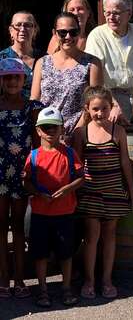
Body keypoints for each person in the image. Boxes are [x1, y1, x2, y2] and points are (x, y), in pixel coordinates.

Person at [73, 86, 133, 300]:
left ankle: (107, 279)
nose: (100, 113)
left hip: (114, 191)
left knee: (110, 236)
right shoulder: (81, 133)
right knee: (91, 237)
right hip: (90, 191)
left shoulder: (117, 131)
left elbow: (125, 163)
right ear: (87, 109)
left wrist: (132, 191)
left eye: (104, 108)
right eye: (95, 109)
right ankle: (89, 279)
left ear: (111, 108)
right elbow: (76, 164)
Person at [23, 107, 84, 308]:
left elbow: (80, 178)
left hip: (65, 214)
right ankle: (42, 290)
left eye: (54, 127)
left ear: (62, 130)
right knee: (40, 255)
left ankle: (66, 288)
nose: (50, 131)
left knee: (66, 253)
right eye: (46, 127)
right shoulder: (33, 156)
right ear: (38, 131)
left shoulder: (69, 154)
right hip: (40, 214)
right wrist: (37, 192)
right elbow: (27, 182)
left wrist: (67, 189)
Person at [0, 58, 42, 299]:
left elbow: (37, 145)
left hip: (21, 175)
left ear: (24, 79)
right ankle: (3, 276)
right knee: (0, 226)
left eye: (16, 77)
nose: (12, 81)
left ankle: (19, 278)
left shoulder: (32, 107)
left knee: (17, 226)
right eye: (7, 77)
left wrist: (34, 174)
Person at [31, 12, 103, 140]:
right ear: (54, 33)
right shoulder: (42, 63)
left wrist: (74, 135)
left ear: (79, 32)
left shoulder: (92, 63)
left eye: (73, 32)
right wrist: (43, 132)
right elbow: (35, 101)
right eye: (62, 32)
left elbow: (94, 103)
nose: (68, 36)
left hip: (78, 136)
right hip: (45, 135)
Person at [0, 11, 41, 98]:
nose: (22, 29)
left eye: (27, 25)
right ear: (11, 30)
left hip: (38, 110)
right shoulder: (2, 58)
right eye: (18, 25)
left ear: (35, 30)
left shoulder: (44, 58)